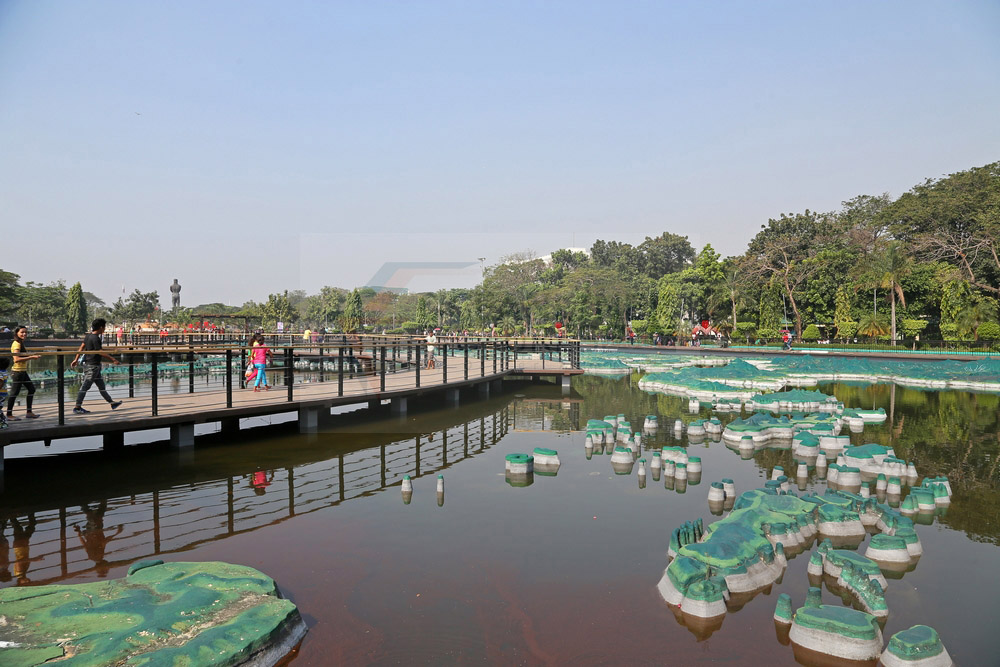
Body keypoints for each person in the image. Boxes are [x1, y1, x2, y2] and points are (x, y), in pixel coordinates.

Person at [70, 318, 123, 414]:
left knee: (101, 387)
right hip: (92, 367)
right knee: (85, 387)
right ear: (101, 327)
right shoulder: (96, 338)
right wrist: (113, 359)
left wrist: (76, 359)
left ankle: (112, 403)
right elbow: (100, 352)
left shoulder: (88, 336)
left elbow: (81, 347)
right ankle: (77, 407)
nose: (105, 329)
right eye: (104, 327)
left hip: (93, 366)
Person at [7, 326, 41, 420]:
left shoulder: (20, 342)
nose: (24, 334)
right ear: (17, 333)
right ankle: (9, 415)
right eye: (22, 332)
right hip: (17, 372)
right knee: (14, 393)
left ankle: (29, 412)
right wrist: (31, 357)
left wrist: (31, 355)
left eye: (26, 332)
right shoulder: (17, 344)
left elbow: (21, 355)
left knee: (31, 389)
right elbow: (16, 359)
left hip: (22, 371)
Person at [0, 356, 9, 429]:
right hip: (3, 393)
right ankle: (3, 422)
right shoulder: (5, 372)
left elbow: (1, 382)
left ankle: (4, 423)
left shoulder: (0, 373)